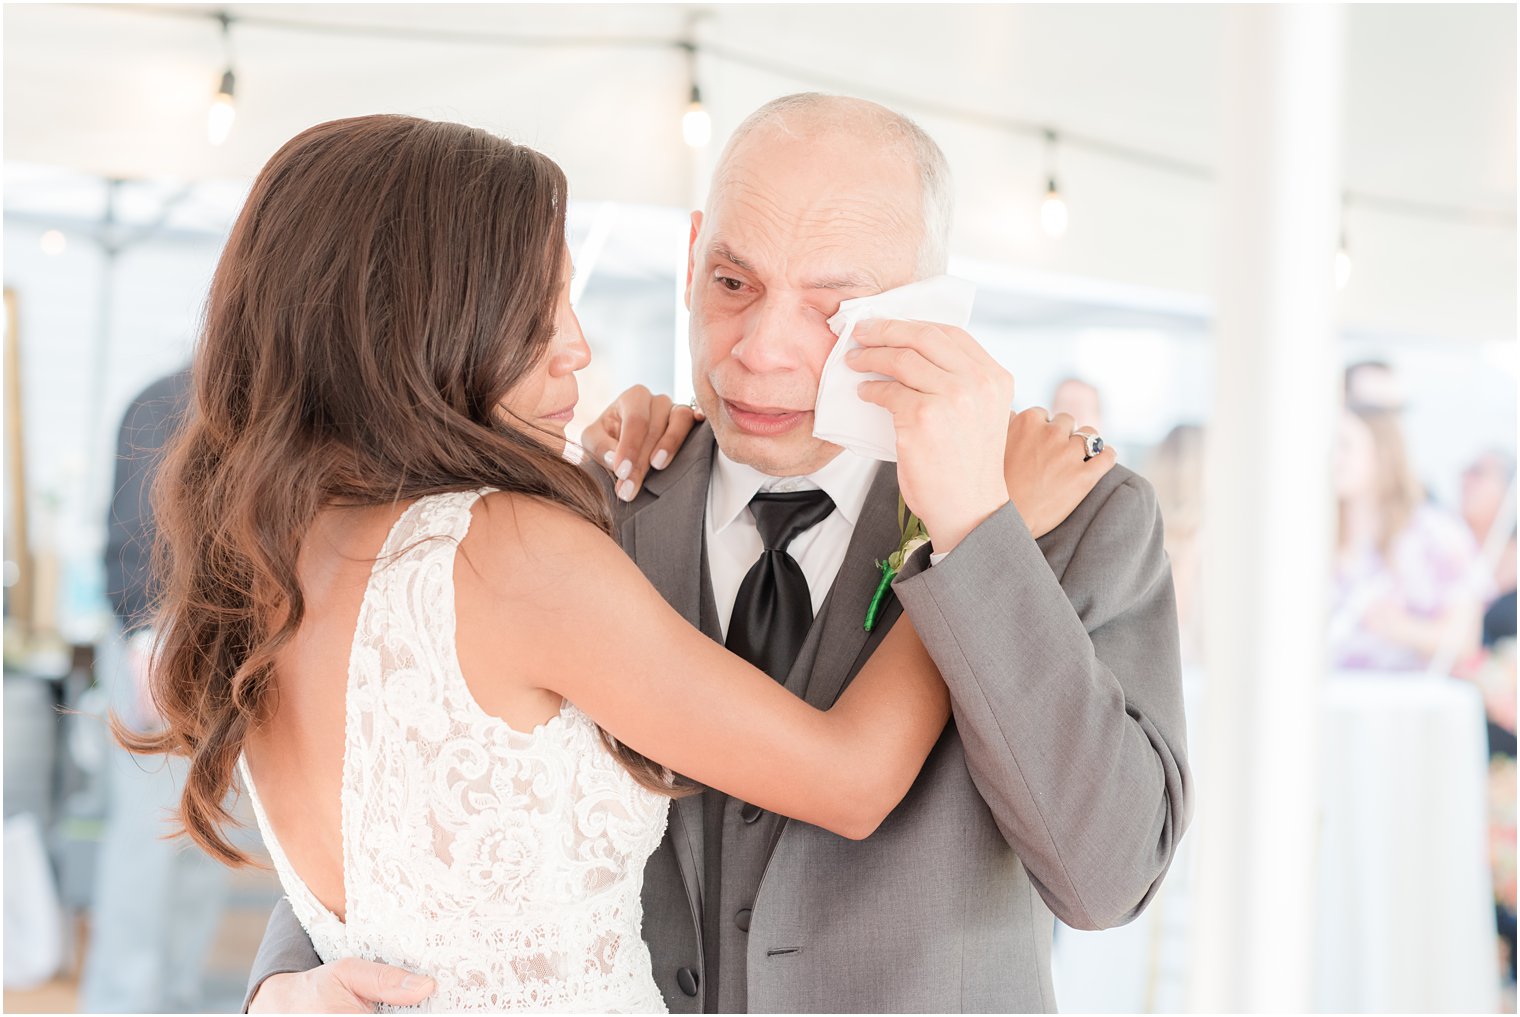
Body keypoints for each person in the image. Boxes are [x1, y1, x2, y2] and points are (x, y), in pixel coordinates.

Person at [128, 111, 1116, 1012]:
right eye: (537, 306)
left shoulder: (274, 560)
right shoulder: (524, 547)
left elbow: (393, 846)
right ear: (420, 324)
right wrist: (985, 535)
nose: (579, 347)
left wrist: (276, 1001)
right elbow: (850, 780)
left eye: (828, 305)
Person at [80, 367, 232, 1012]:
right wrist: (147, 634)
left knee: (210, 841)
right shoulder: (169, 401)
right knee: (149, 844)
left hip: (231, 654)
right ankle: (121, 1003)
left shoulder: (275, 398)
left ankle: (177, 995)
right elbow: (134, 534)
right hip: (164, 646)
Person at [1330, 405, 1486, 672]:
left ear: (1382, 453)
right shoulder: (1315, 531)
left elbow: (1464, 639)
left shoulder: (1434, 533)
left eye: (1344, 445)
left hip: (1400, 700)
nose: (1333, 457)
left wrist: (1399, 627)